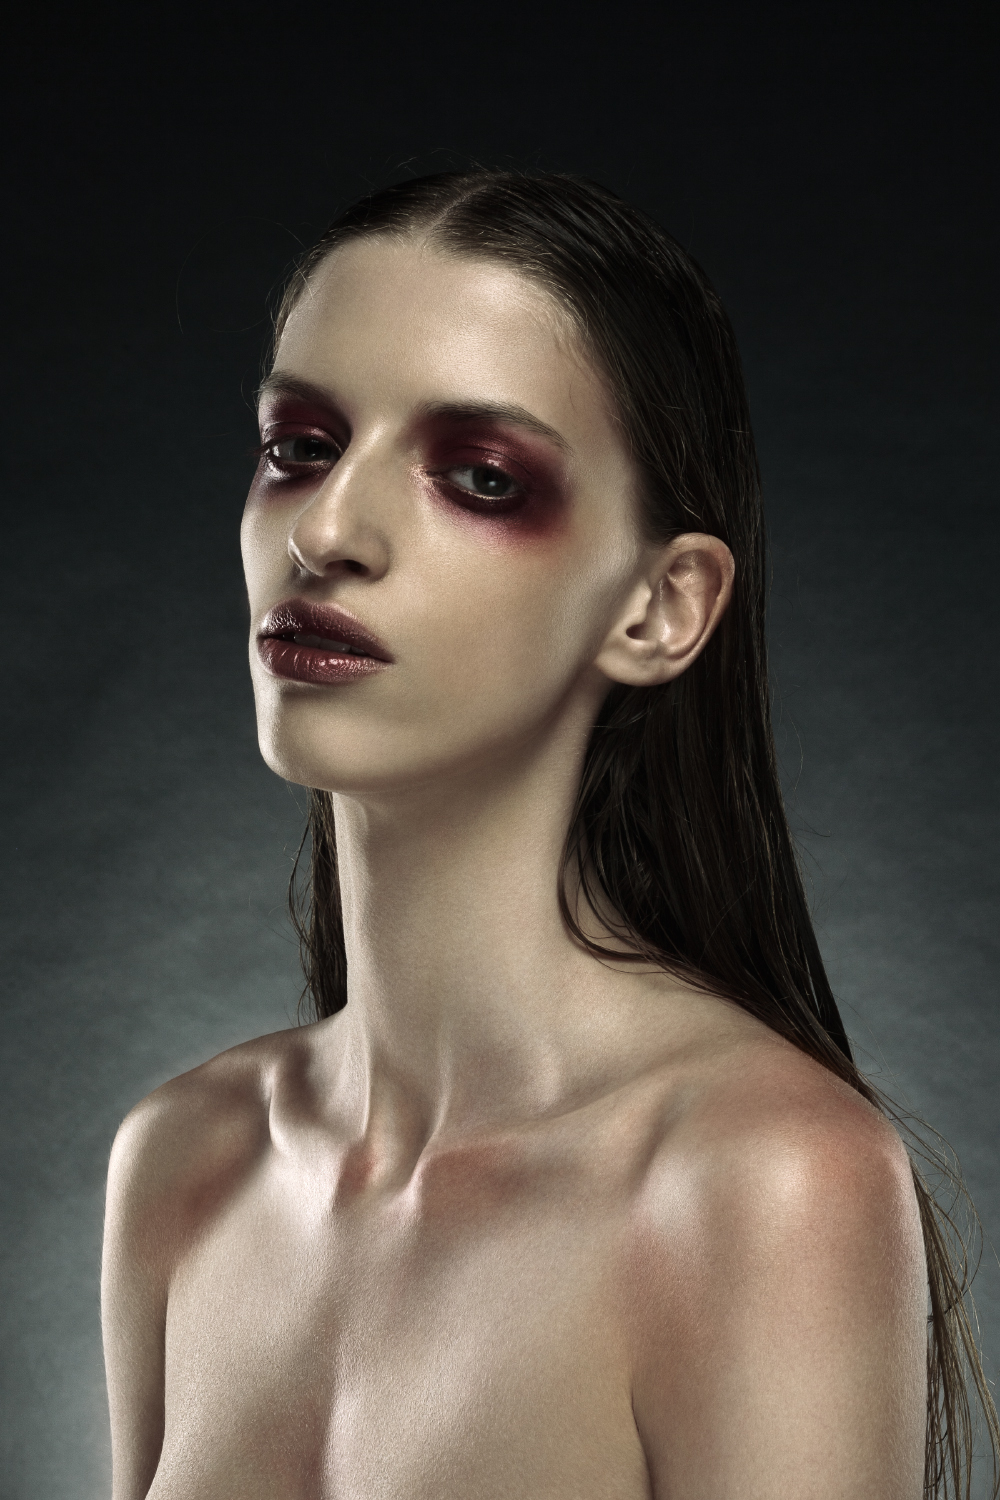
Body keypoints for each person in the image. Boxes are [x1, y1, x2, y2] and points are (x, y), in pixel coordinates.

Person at [101, 170, 997, 1500]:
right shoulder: (187, 1160)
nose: (327, 531)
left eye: (479, 477)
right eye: (301, 447)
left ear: (659, 607)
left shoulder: (758, 1181)